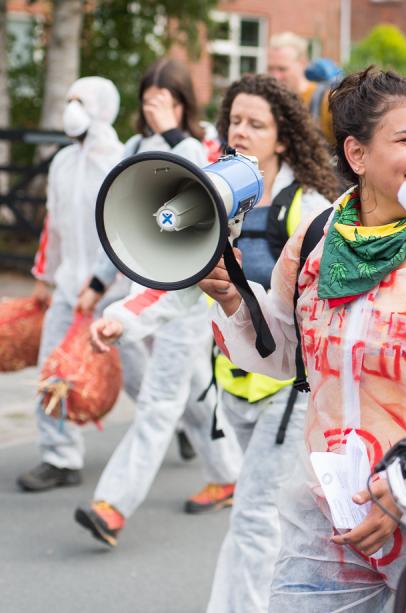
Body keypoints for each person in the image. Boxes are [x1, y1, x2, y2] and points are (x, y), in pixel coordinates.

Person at [199, 67, 406, 612]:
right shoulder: (314, 243)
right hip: (329, 524)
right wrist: (233, 296)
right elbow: (288, 354)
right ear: (357, 155)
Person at [71, 59, 245, 547]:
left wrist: (171, 134)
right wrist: (98, 281)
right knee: (194, 394)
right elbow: (122, 229)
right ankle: (229, 473)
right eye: (148, 97)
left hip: (182, 301)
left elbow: (209, 218)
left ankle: (112, 506)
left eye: (164, 98)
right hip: (138, 296)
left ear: (182, 102)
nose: (153, 106)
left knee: (158, 403)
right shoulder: (131, 149)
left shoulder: (198, 147)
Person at [16, 77, 148, 493]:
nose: (70, 108)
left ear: (101, 108)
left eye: (80, 101)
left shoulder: (118, 160)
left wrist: (104, 282)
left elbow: (126, 226)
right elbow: (53, 226)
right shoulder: (63, 162)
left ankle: (177, 417)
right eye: (68, 98)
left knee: (136, 373)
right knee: (51, 368)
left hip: (111, 290)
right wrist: (45, 277)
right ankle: (60, 455)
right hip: (68, 286)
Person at [268, 31, 336, 143]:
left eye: (282, 69)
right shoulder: (268, 100)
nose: (275, 76)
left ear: (303, 63)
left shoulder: (325, 101)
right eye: (270, 68)